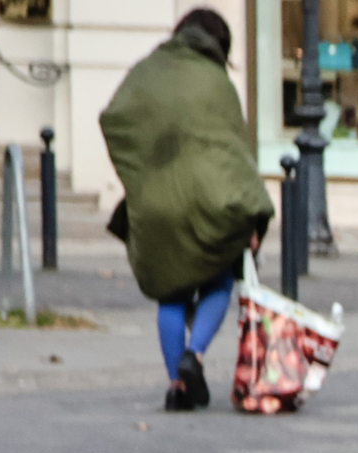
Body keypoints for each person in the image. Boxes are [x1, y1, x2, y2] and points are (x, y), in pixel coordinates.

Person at [98, 8, 272, 412]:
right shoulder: (216, 84)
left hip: (156, 206)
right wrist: (253, 216)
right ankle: (194, 354)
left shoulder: (146, 72)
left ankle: (177, 385)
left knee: (171, 294)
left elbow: (115, 120)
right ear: (219, 47)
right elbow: (233, 156)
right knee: (219, 282)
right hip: (209, 205)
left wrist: (139, 177)